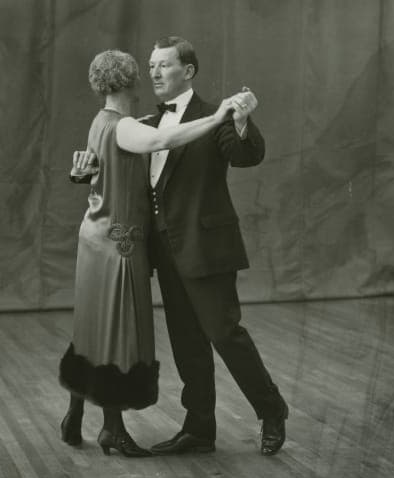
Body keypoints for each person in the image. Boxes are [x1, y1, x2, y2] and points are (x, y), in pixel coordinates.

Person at [73, 36, 289, 456]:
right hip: (164, 251)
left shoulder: (214, 115)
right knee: (187, 343)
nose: (153, 72)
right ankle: (199, 429)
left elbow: (246, 155)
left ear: (187, 71)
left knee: (225, 335)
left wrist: (240, 120)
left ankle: (272, 409)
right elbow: (115, 171)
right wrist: (84, 171)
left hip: (206, 247)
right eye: (150, 65)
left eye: (163, 65)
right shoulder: (148, 125)